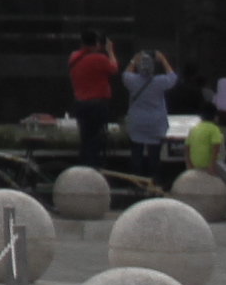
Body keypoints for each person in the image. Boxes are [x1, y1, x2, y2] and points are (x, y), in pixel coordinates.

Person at [67, 30, 121, 176]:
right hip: (97, 105)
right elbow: (114, 68)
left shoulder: (74, 58)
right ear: (97, 43)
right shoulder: (99, 59)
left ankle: (84, 168)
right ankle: (94, 170)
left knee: (85, 139)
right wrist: (110, 51)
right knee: (97, 139)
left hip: (80, 104)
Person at [182, 102, 226, 216]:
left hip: (195, 162)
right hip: (210, 162)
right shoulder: (214, 129)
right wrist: (212, 166)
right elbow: (216, 148)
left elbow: (186, 147)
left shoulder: (194, 128)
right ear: (215, 116)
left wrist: (189, 165)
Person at [124, 51, 176, 176]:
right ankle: (153, 181)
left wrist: (134, 60)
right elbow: (172, 77)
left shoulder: (132, 81)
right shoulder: (160, 81)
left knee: (137, 153)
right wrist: (163, 60)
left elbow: (126, 74)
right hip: (155, 123)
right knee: (154, 155)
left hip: (137, 122)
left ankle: (136, 182)